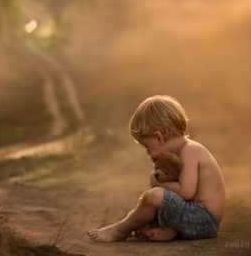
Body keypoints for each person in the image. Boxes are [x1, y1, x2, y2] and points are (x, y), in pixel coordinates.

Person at [88, 95, 225, 242]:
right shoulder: (178, 153)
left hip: (203, 220)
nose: (147, 152)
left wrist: (158, 184)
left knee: (155, 196)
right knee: (139, 215)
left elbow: (186, 192)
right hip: (193, 217)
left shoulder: (190, 150)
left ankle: (119, 230)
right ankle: (169, 231)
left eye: (146, 146)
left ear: (159, 138)